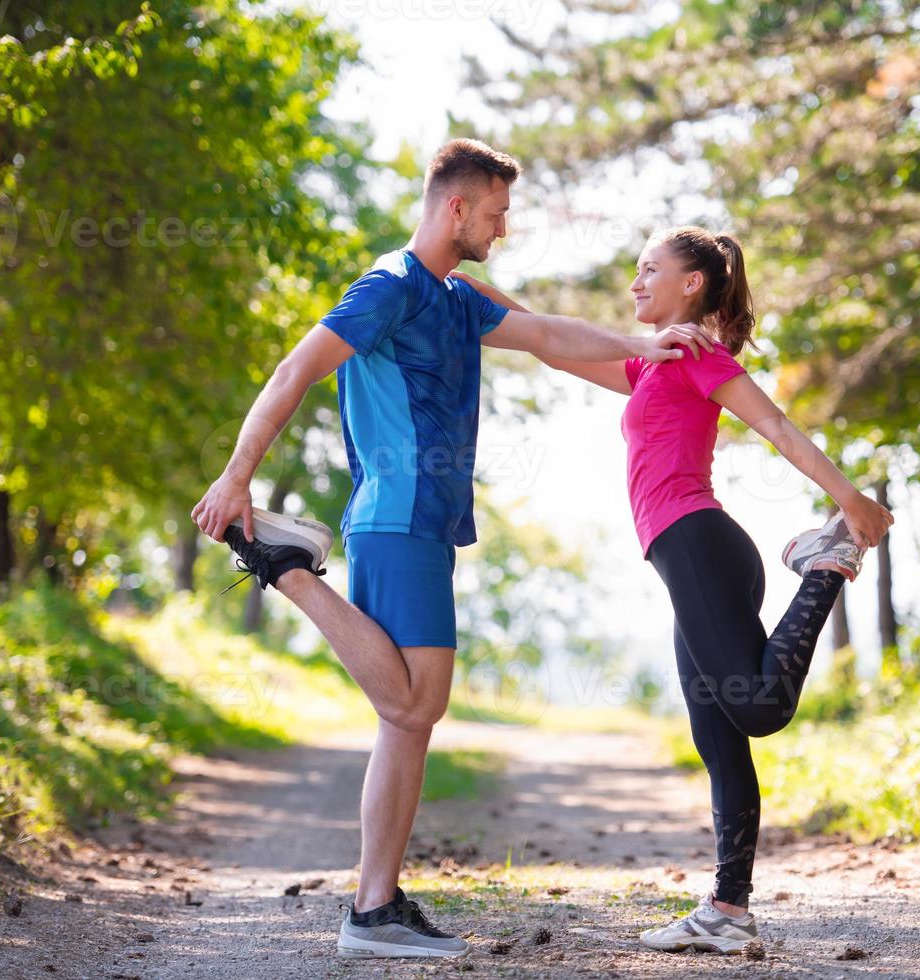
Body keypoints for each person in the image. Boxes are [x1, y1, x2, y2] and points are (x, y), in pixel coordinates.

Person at [189, 139, 709, 959]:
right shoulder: (390, 287)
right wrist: (236, 477)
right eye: (497, 214)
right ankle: (283, 568)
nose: (503, 229)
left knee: (414, 716)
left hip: (428, 521)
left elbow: (545, 332)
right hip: (393, 515)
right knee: (409, 707)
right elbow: (294, 369)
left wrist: (638, 349)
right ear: (457, 207)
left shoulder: (456, 297)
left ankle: (376, 908)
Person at [454, 224, 894, 954]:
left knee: (756, 709)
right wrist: (460, 287)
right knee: (719, 740)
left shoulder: (699, 353)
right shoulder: (652, 363)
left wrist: (851, 502)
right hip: (688, 557)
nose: (635, 283)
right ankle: (728, 909)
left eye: (648, 270)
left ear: (692, 284)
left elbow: (777, 426)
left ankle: (826, 565)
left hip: (699, 544)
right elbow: (548, 345)